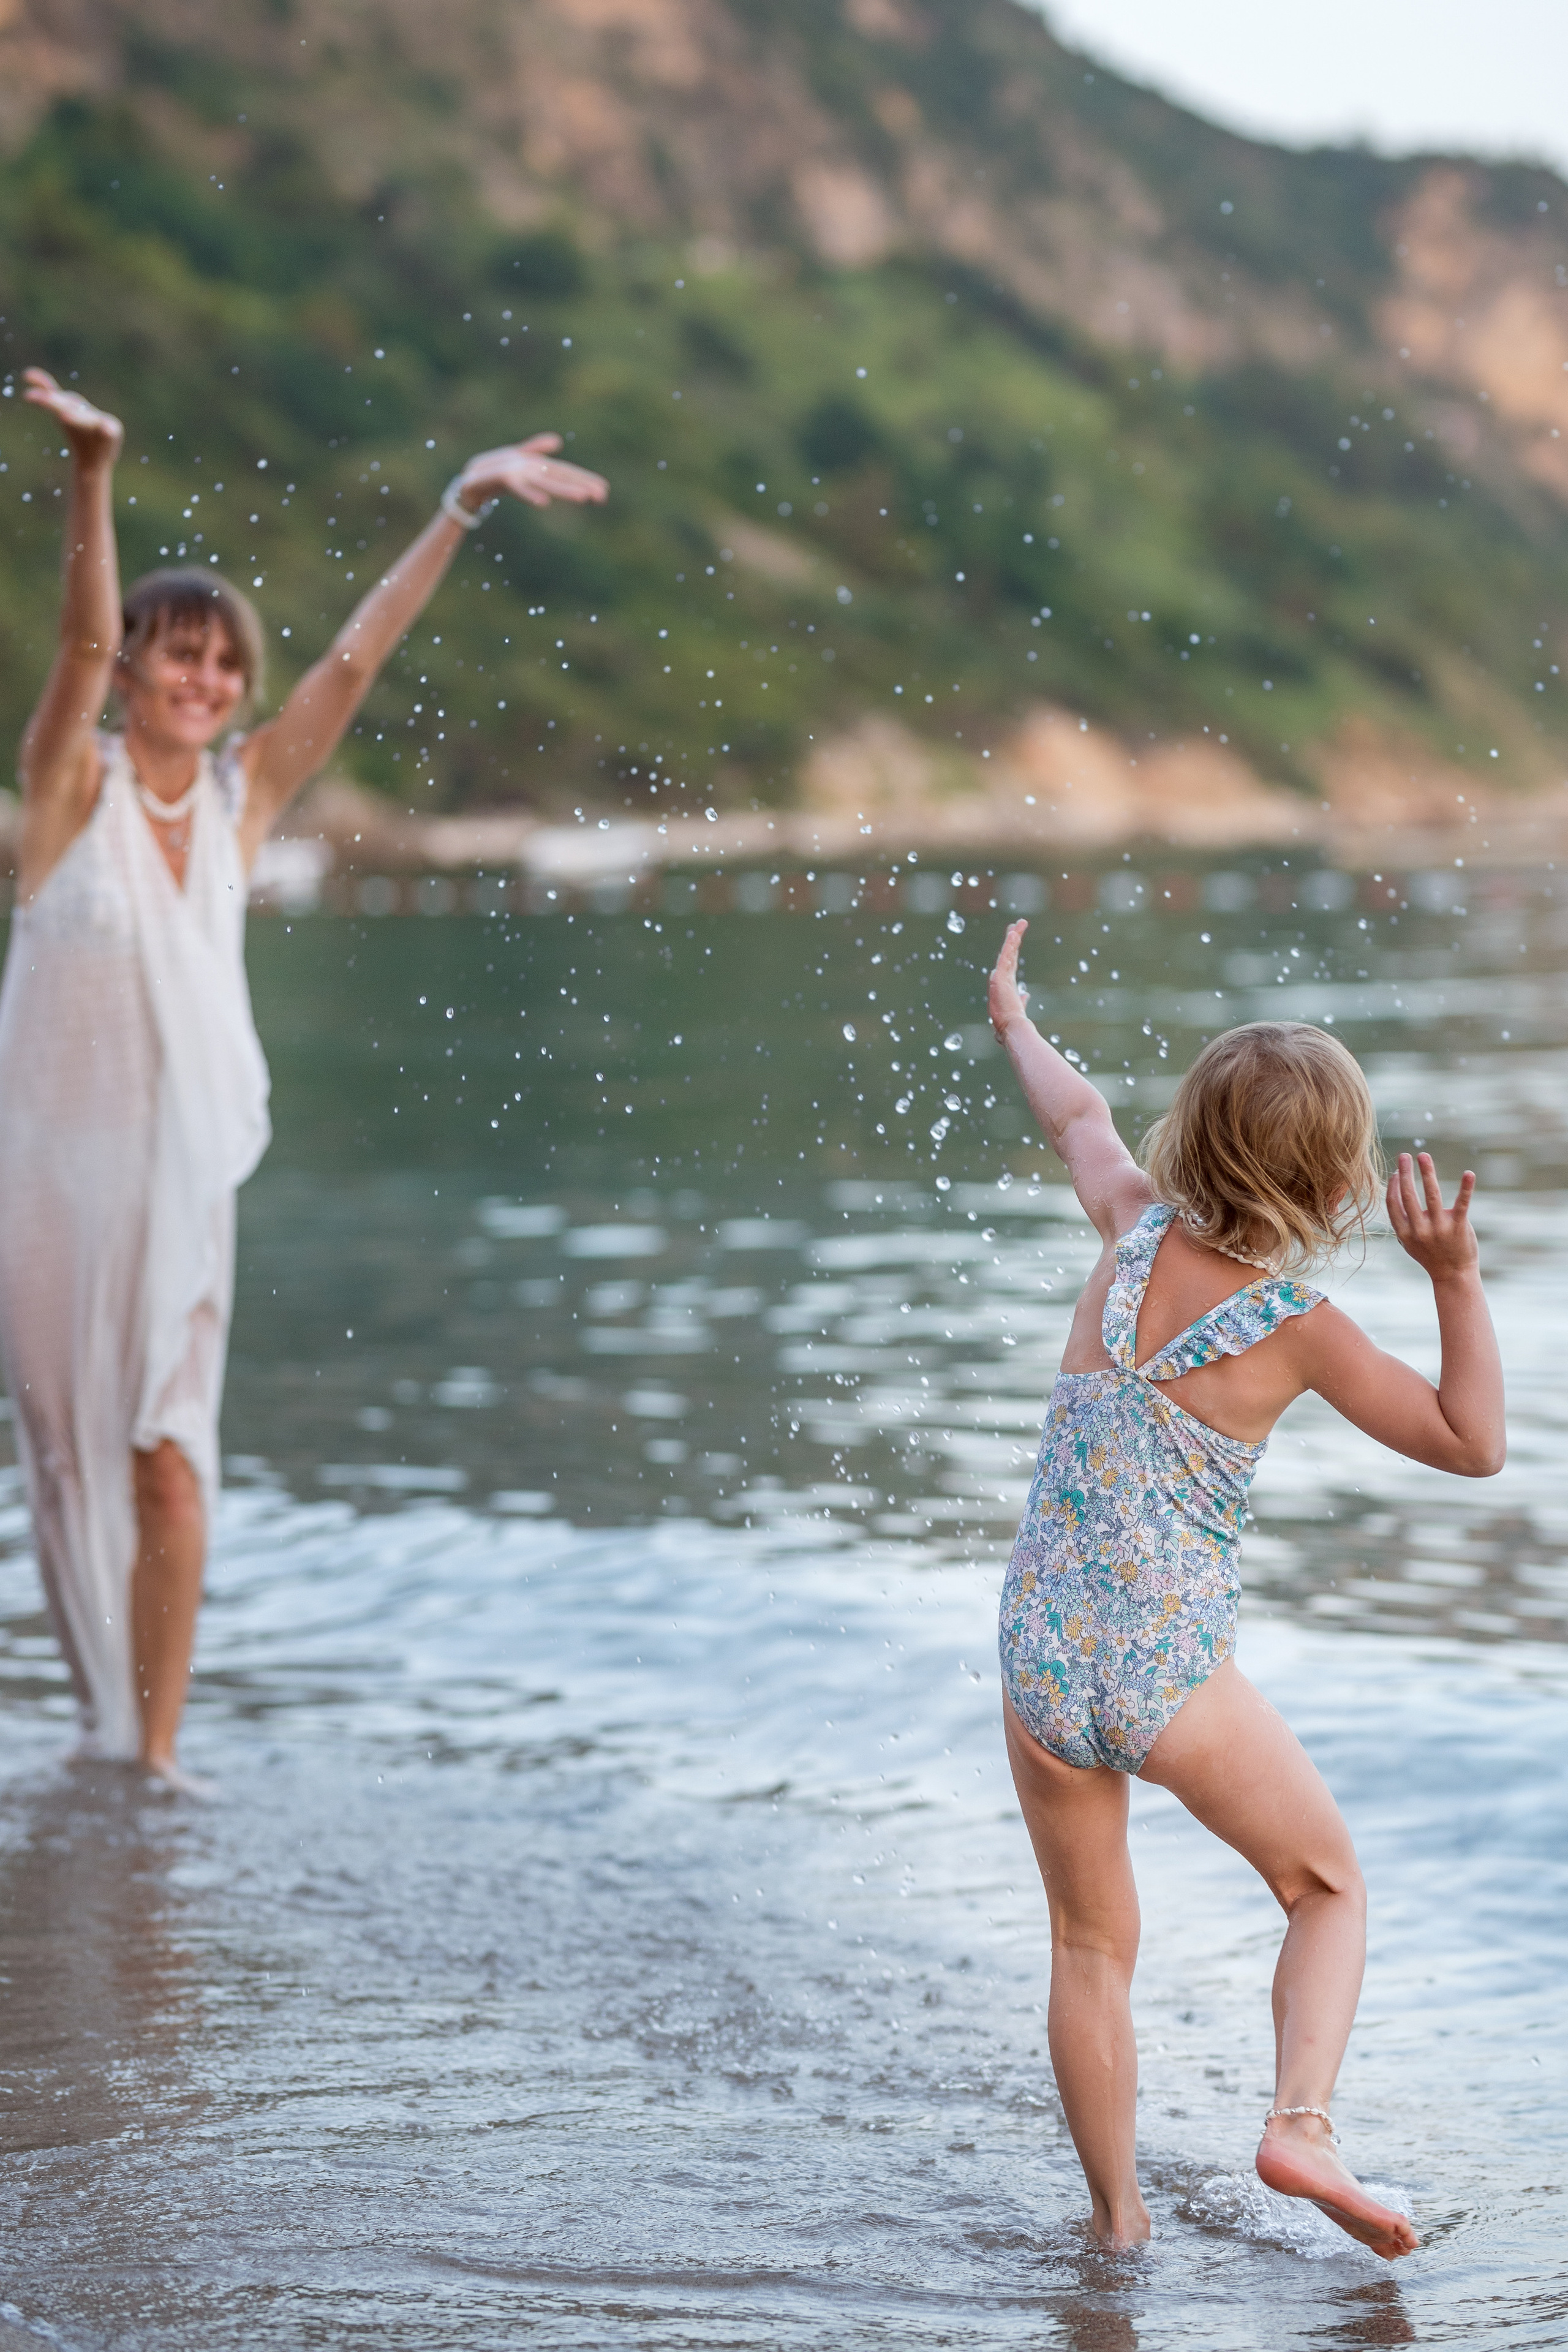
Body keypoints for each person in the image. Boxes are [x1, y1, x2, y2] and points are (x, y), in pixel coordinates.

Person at [0, 368, 607, 1789]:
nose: (200, 681)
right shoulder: (67, 791)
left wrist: (457, 505)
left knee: (164, 1453)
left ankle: (151, 1759)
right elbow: (76, 652)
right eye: (176, 655)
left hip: (178, 1186)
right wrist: (94, 472)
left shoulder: (241, 797)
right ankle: (100, 1725)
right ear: (139, 668)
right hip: (47, 1190)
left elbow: (352, 663)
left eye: (222, 664)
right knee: (68, 1462)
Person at [987, 918, 1504, 2261]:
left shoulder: (1126, 1228)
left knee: (1090, 1946)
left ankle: (1114, 2232)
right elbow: (1469, 1442)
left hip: (1040, 1655)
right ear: (1334, 1179)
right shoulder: (1295, 1329)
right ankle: (1299, 2126)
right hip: (1165, 1675)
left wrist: (1013, 1027)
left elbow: (1075, 1119)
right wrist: (1451, 1276)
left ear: (1186, 1139)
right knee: (1325, 1888)